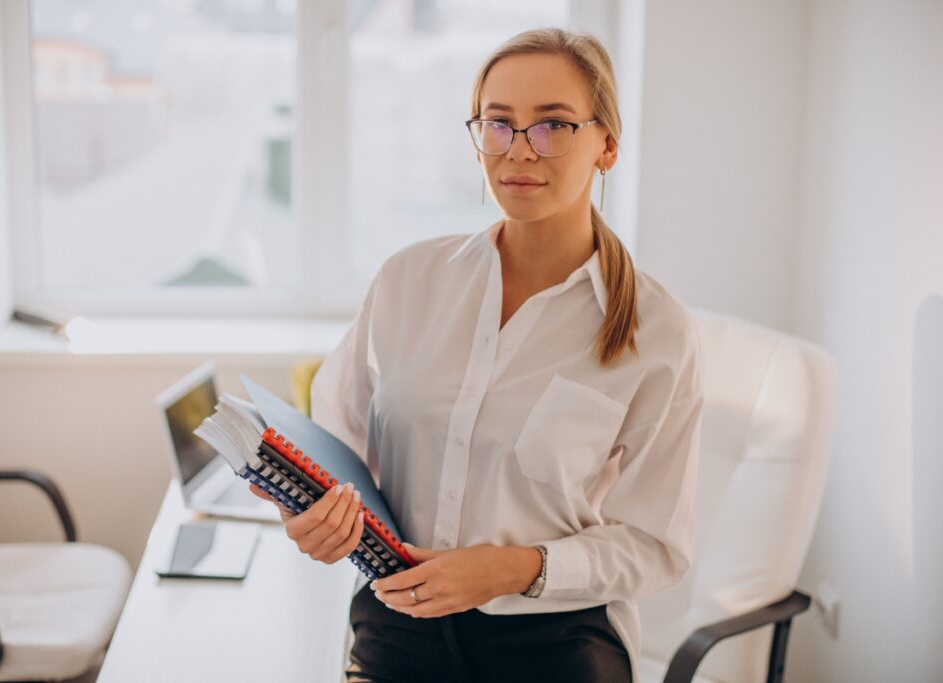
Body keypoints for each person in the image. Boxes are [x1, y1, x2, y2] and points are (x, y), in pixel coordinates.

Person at [250, 27, 704, 683]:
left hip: (554, 637)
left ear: (606, 144)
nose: (518, 150)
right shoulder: (408, 280)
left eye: (551, 125)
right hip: (398, 617)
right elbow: (333, 439)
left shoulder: (657, 332)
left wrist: (513, 567)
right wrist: (308, 511)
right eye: (498, 124)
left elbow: (656, 545)